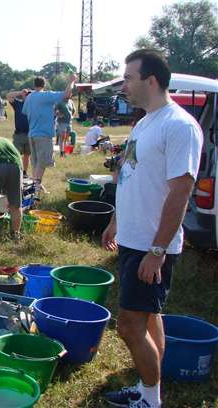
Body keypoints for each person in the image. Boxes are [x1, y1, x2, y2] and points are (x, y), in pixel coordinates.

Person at [101, 49, 203, 408]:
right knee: (150, 315)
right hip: (133, 239)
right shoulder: (145, 122)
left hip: (151, 245)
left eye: (129, 77)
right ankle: (150, 390)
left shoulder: (179, 126)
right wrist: (115, 220)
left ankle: (150, 400)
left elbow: (181, 192)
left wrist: (157, 252)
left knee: (129, 326)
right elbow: (129, 176)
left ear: (152, 81)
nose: (124, 84)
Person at [22, 74, 77, 194]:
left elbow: (25, 112)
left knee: (36, 163)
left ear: (34, 85)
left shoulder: (29, 97)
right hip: (43, 134)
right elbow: (67, 94)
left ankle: (35, 186)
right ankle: (35, 189)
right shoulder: (45, 95)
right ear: (44, 85)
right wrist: (71, 81)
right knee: (42, 163)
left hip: (32, 134)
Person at [6, 89, 31, 177]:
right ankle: (16, 172)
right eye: (26, 94)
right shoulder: (18, 103)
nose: (27, 95)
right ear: (23, 95)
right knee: (15, 154)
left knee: (27, 155)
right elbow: (8, 96)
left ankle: (24, 173)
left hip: (30, 134)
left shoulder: (33, 105)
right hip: (19, 134)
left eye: (29, 94)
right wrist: (20, 92)